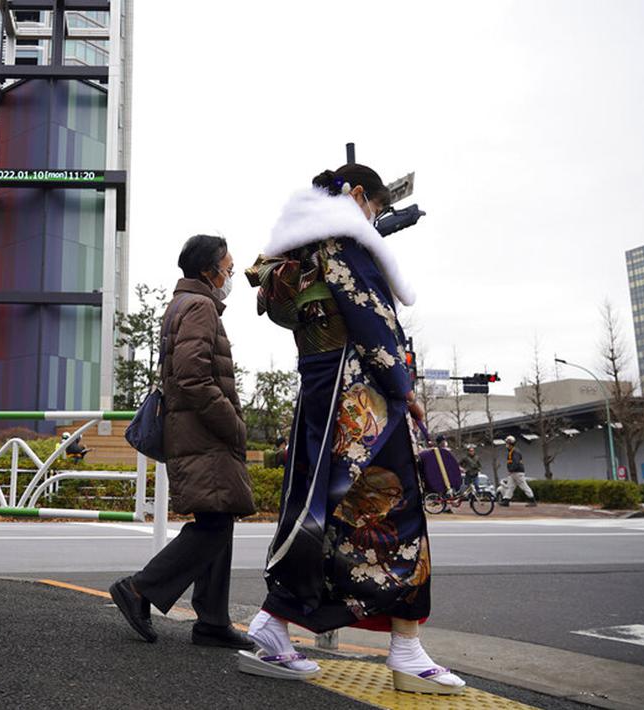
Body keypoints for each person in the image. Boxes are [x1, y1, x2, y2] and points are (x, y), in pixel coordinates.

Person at [242, 164, 465, 693]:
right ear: (358, 196)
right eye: (376, 209)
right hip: (359, 399)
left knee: (317, 511)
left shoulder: (297, 254)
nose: (376, 220)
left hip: (319, 390)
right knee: (396, 509)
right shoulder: (345, 244)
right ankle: (406, 649)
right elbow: (372, 323)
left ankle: (274, 623)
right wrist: (404, 388)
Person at [109, 235, 256, 650]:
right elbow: (193, 377)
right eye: (227, 269)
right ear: (209, 271)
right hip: (204, 434)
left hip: (196, 431)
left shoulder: (184, 304)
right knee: (213, 525)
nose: (230, 275)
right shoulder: (200, 306)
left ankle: (212, 620)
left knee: (218, 517)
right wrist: (233, 425)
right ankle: (139, 590)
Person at [499, 435, 536, 507]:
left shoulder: (515, 452)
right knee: (510, 487)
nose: (506, 445)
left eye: (507, 443)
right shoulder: (511, 451)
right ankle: (506, 501)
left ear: (510, 444)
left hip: (517, 472)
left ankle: (532, 500)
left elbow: (516, 463)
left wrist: (511, 470)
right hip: (513, 473)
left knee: (524, 486)